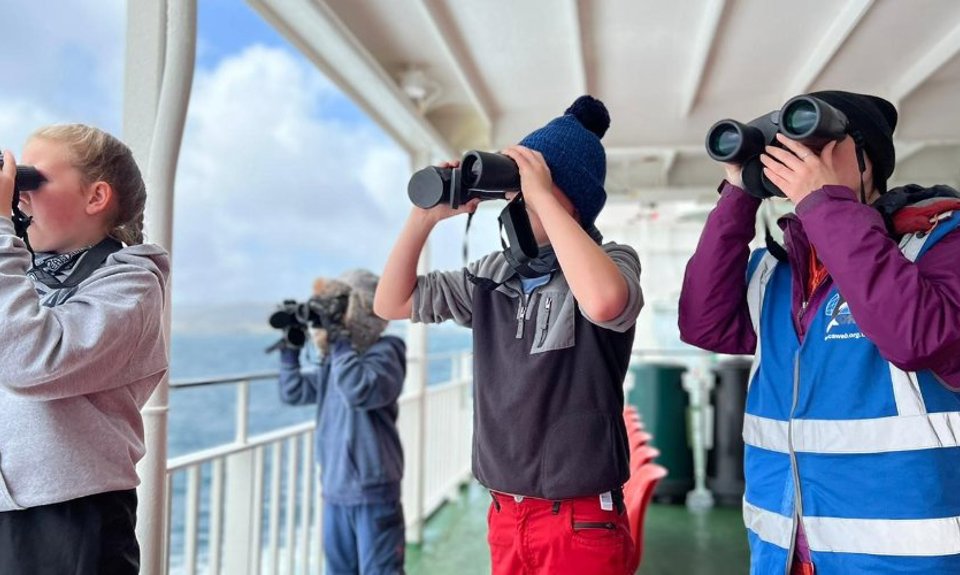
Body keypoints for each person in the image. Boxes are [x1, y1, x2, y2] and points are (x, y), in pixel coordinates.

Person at [678, 91, 960, 574]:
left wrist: (822, 202)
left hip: (903, 559)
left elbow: (918, 337)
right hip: (784, 549)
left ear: (866, 161)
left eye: (814, 146)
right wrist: (739, 195)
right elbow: (704, 324)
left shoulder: (939, 242)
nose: (797, 160)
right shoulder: (779, 269)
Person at [375, 95, 644, 575]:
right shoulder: (493, 274)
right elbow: (391, 303)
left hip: (580, 517)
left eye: (528, 193)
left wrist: (542, 192)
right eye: (515, 193)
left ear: (573, 202)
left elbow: (604, 302)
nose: (516, 204)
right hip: (504, 511)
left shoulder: (615, 261)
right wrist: (423, 220)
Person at [0, 124, 169, 574]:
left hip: (72, 517)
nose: (19, 198)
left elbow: (34, 360)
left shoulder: (131, 284)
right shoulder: (20, 276)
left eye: (31, 181)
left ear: (96, 197)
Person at [277, 269, 406, 575]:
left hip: (374, 492)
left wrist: (340, 340)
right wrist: (289, 349)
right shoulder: (335, 360)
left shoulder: (387, 352)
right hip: (335, 490)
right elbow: (293, 391)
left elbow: (358, 389)